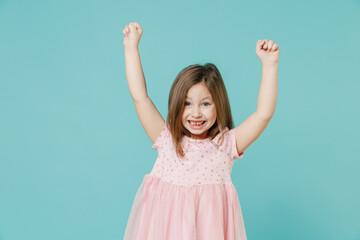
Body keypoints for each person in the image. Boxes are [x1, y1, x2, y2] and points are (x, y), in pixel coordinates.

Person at [122, 22, 279, 240]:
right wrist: (131, 48)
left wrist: (270, 66)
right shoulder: (167, 139)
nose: (196, 114)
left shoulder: (226, 145)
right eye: (187, 104)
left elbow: (263, 114)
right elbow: (140, 97)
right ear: (176, 105)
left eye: (205, 104)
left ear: (219, 104)